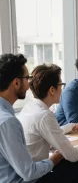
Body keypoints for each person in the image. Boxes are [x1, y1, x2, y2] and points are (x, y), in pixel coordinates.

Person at [18, 64, 78, 183]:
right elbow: (73, 155)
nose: (62, 89)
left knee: (69, 165)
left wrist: (72, 126)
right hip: (35, 178)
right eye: (61, 85)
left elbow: (49, 131)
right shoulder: (44, 115)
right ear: (52, 90)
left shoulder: (31, 107)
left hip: (26, 172)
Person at [0, 54, 63, 183]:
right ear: (16, 82)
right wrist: (53, 160)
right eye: (27, 78)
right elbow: (29, 172)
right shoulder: (8, 122)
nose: (29, 85)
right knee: (77, 169)